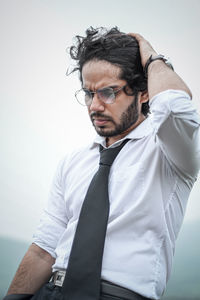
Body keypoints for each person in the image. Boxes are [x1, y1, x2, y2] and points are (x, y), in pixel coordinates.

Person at [4, 27, 200, 300]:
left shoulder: (170, 151)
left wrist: (153, 59)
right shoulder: (73, 162)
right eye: (88, 93)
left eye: (108, 92)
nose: (94, 106)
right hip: (50, 291)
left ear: (143, 93)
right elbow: (43, 249)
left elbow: (176, 106)